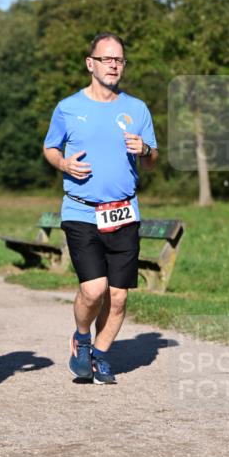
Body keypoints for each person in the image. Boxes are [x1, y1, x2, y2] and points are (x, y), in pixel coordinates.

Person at [43, 33, 158, 385]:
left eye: (119, 60)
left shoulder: (137, 109)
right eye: (107, 59)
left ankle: (101, 355)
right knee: (94, 289)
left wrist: (145, 150)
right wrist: (64, 164)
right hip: (81, 211)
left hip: (124, 211)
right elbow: (50, 148)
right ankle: (81, 338)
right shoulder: (68, 107)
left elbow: (153, 159)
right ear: (90, 63)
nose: (113, 66)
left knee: (118, 297)